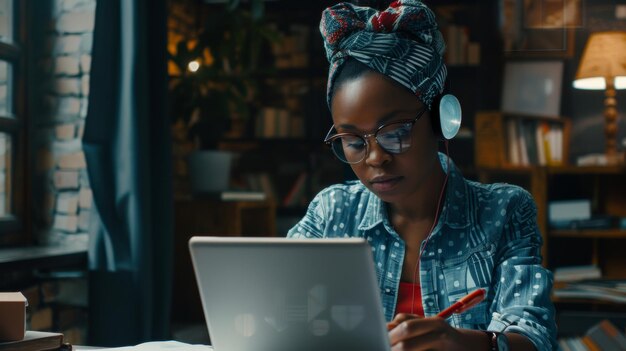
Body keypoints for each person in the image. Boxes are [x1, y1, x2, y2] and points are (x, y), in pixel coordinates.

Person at [286, 0, 558, 350]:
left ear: (441, 120)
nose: (375, 158)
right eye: (353, 141)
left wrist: (461, 343)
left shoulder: (505, 211)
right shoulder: (331, 211)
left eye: (395, 132)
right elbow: (278, 312)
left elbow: (534, 336)